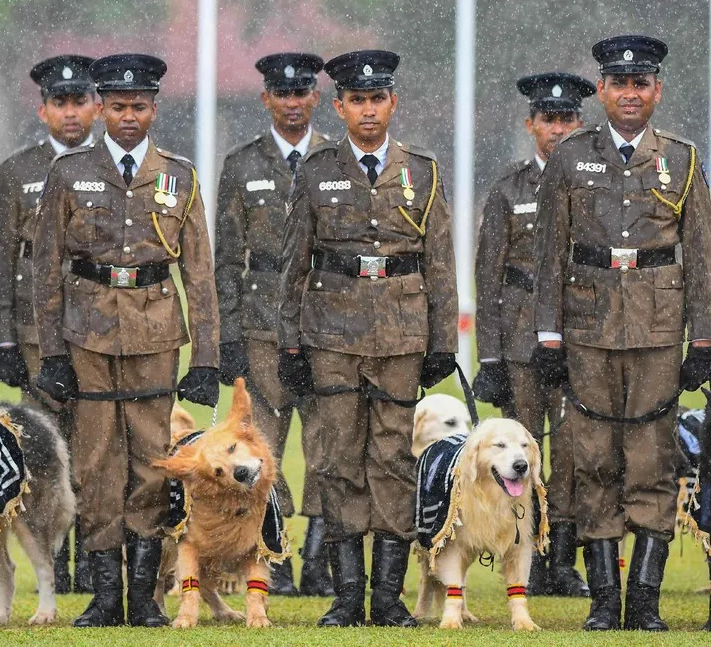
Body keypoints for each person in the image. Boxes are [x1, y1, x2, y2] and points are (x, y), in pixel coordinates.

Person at [32, 53, 219, 628]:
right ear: (100, 109)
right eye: (117, 106)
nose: (128, 116)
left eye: (138, 106)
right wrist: (53, 354)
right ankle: (104, 594)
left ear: (154, 110)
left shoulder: (178, 175)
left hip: (155, 333)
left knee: (150, 461)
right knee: (93, 463)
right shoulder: (70, 174)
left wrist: (206, 357)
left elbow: (201, 274)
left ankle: (142, 596)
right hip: (86, 334)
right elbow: (45, 269)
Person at [532, 35, 711, 631]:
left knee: (651, 462)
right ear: (602, 91)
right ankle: (605, 603)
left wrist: (704, 341)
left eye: (641, 83)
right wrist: (549, 336)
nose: (629, 93)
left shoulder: (682, 159)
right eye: (619, 83)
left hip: (659, 331)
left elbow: (702, 257)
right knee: (592, 461)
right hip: (587, 329)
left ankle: (647, 602)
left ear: (657, 91)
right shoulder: (569, 156)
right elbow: (550, 252)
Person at [277, 49, 458, 627]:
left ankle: (387, 596)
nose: (368, 110)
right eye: (357, 100)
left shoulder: (422, 171)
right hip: (330, 335)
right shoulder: (315, 169)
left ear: (392, 102)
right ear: (339, 107)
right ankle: (347, 596)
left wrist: (442, 341)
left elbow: (441, 265)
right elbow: (292, 265)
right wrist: (290, 344)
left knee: (392, 462)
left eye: (377, 99)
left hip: (401, 334)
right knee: (337, 461)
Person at [214, 51, 333, 597]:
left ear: (315, 97)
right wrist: (229, 336)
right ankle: (275, 554)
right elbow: (227, 259)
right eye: (282, 94)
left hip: (328, 323)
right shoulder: (242, 164)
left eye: (302, 92)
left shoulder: (338, 157)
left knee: (330, 444)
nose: (292, 103)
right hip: (262, 325)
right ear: (266, 99)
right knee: (261, 449)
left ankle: (322, 558)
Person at [473, 72, 594, 598]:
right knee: (520, 457)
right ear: (531, 124)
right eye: (549, 119)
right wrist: (491, 358)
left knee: (568, 452)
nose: (559, 129)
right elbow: (488, 276)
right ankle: (524, 554)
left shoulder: (596, 182)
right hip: (521, 340)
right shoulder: (508, 189)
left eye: (568, 118)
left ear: (580, 123)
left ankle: (561, 560)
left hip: (580, 335)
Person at [0, 54, 99, 594]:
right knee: (46, 452)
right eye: (61, 102)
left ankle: (96, 559)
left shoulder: (111, 165)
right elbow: (3, 262)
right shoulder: (19, 172)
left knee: (97, 449)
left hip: (101, 327)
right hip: (37, 334)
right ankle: (52, 564)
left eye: (80, 101)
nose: (71, 112)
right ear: (43, 110)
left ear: (96, 107)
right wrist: (5, 340)